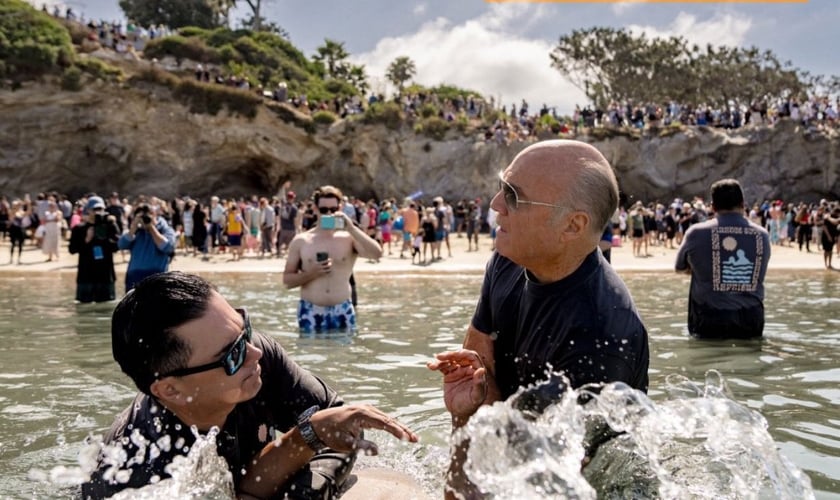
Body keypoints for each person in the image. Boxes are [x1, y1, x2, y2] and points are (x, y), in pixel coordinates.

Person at [426, 140, 649, 499]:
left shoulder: (600, 340)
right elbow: (479, 370)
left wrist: (482, 416)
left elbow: (550, 486)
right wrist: (465, 415)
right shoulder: (510, 257)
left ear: (573, 225)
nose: (496, 205)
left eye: (513, 195)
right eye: (501, 187)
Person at [81, 272, 417, 499]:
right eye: (232, 353)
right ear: (171, 390)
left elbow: (341, 429)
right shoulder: (137, 469)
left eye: (246, 330)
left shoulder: (256, 357)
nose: (254, 352)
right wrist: (299, 444)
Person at [675, 178, 771, 339]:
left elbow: (680, 267)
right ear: (743, 203)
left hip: (709, 319)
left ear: (712, 206)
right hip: (751, 319)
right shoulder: (762, 235)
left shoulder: (696, 233)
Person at [283, 186, 383, 333]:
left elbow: (377, 253)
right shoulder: (302, 241)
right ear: (315, 209)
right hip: (310, 309)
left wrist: (351, 228)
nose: (329, 214)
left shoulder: (349, 238)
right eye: (324, 210)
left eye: (333, 209)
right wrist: (312, 273)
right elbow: (287, 281)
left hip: (342, 309)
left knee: (345, 354)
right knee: (309, 354)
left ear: (340, 208)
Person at [68, 196, 120, 303]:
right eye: (94, 210)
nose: (97, 212)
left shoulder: (110, 226)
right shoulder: (79, 228)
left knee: (106, 303)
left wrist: (106, 237)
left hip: (105, 274)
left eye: (100, 209)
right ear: (88, 211)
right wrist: (87, 239)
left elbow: (117, 246)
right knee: (84, 303)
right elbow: (72, 249)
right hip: (86, 275)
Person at [118, 203, 176, 291]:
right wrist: (133, 228)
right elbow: (121, 245)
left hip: (157, 276)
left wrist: (151, 228)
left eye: (149, 215)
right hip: (134, 276)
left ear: (155, 215)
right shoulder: (135, 231)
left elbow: (168, 248)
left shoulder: (166, 230)